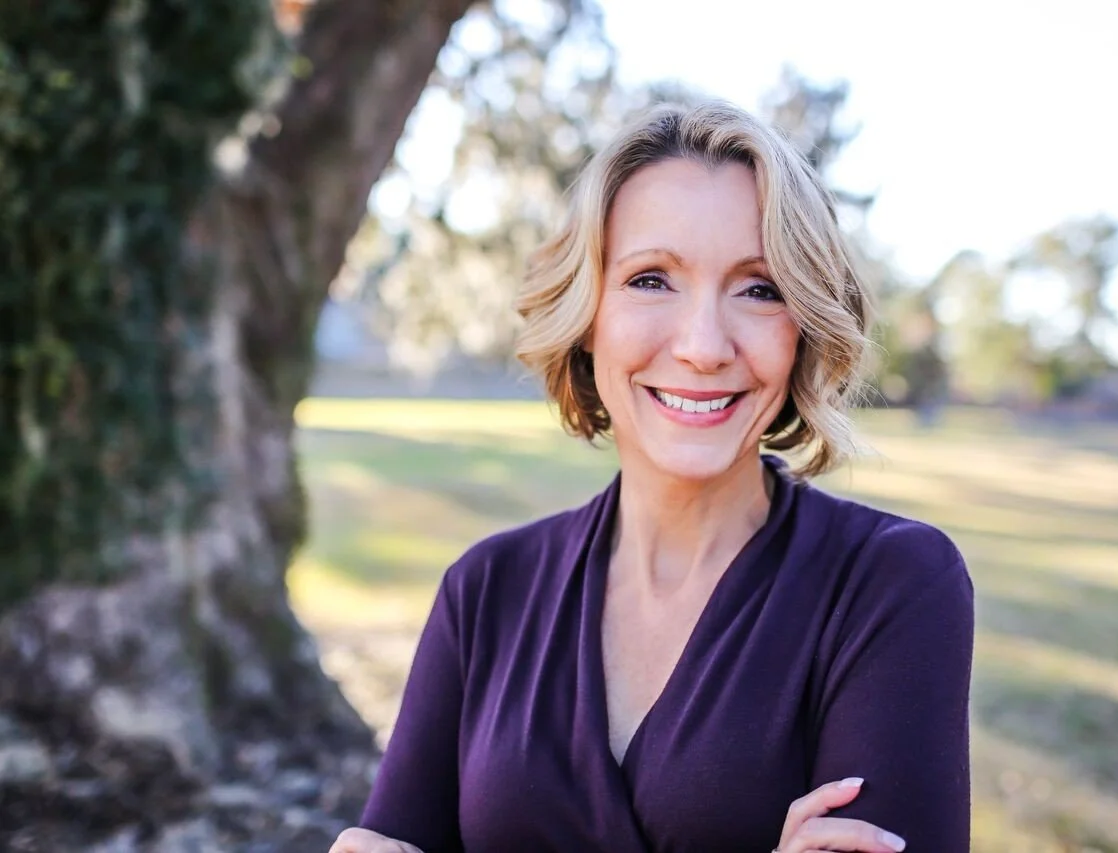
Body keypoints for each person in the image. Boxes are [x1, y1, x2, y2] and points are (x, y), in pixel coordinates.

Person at [330, 100, 974, 853]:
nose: (703, 346)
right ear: (587, 311)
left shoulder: (891, 583)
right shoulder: (484, 591)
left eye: (759, 288)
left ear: (803, 327)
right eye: (650, 279)